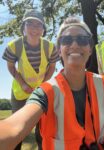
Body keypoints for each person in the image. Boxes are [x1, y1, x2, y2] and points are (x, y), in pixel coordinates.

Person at [0, 16, 104, 150]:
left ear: (90, 49)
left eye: (82, 40)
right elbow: (14, 128)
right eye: (66, 40)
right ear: (59, 50)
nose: (75, 45)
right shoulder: (45, 92)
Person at [2, 9, 59, 150]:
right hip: (20, 92)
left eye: (38, 25)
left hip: (41, 91)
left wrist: (43, 85)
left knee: (42, 129)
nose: (34, 28)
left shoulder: (50, 47)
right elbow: (10, 67)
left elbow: (51, 68)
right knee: (16, 129)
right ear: (23, 28)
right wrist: (22, 83)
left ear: (43, 29)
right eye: (30, 24)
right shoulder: (13, 46)